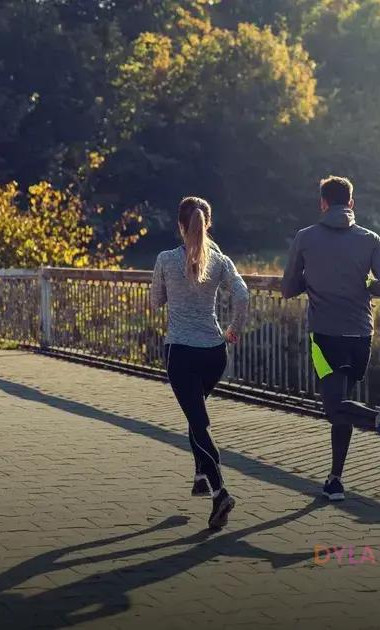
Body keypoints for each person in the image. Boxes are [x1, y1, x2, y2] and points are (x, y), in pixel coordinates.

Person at [281, 176, 380, 502]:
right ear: (350, 203)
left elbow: (287, 288)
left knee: (334, 406)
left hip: (325, 336)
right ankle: (335, 479)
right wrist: (367, 287)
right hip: (361, 336)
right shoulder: (370, 239)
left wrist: (312, 277)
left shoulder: (305, 238)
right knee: (342, 404)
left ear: (323, 203)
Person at [151, 196, 249, 529]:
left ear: (180, 225)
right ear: (208, 225)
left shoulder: (165, 260)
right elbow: (243, 294)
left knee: (199, 425)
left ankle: (220, 492)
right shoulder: (220, 261)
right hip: (214, 352)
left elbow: (155, 301)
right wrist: (235, 327)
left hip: (181, 352)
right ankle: (200, 477)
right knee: (196, 419)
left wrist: (170, 291)